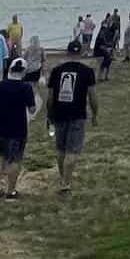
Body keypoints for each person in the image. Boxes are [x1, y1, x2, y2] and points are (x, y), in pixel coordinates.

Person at [45, 40, 99, 195]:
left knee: (61, 150)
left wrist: (50, 116)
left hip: (59, 114)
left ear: (67, 53)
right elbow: (92, 96)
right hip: (77, 115)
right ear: (81, 53)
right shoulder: (87, 71)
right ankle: (66, 184)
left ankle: (63, 178)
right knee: (72, 151)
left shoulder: (56, 71)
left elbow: (50, 98)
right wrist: (95, 114)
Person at [0, 57, 39, 198]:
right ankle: (11, 190)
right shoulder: (26, 88)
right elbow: (32, 109)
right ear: (23, 71)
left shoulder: (0, 86)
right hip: (18, 127)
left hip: (2, 126)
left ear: (10, 69)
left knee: (1, 156)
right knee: (15, 159)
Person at [94, 17, 116, 81]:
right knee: (101, 65)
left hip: (102, 51)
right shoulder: (101, 33)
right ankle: (100, 77)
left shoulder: (103, 33)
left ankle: (103, 77)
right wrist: (107, 49)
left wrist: (108, 47)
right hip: (99, 52)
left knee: (107, 62)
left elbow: (104, 43)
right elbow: (100, 45)